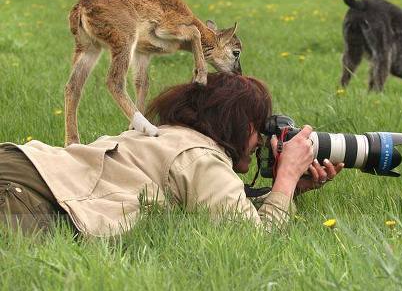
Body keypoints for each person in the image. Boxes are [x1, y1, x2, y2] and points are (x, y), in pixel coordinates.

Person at [0, 72, 343, 236]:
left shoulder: (166, 135)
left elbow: (218, 209)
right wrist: (284, 178)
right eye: (257, 127)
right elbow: (252, 239)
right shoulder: (200, 157)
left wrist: (289, 189)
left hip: (21, 166)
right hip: (27, 197)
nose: (259, 141)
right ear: (236, 124)